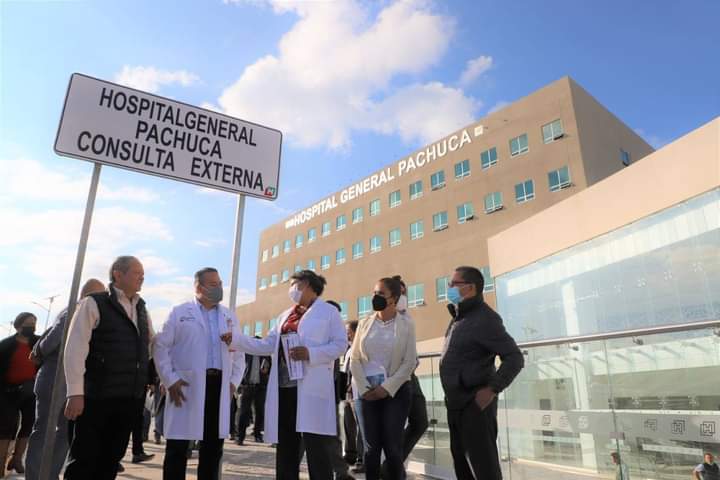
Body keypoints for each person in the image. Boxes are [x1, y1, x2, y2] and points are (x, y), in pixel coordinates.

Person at [231, 269, 347, 480]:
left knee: (317, 447)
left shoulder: (328, 312)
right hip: (284, 388)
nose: (292, 290)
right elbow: (267, 344)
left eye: (297, 285)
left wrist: (311, 353)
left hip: (311, 387)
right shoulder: (285, 316)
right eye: (291, 286)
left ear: (310, 286)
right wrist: (237, 340)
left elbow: (340, 345)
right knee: (286, 447)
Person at [64, 255, 154, 480]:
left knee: (110, 462)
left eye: (143, 274)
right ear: (118, 274)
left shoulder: (142, 309)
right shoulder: (94, 303)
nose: (142, 277)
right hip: (96, 397)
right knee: (84, 461)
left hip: (129, 399)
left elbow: (151, 346)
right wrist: (75, 392)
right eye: (136, 272)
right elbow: (75, 348)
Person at [153, 267, 245, 480]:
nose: (219, 288)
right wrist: (170, 379)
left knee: (213, 449)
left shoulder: (228, 316)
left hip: (219, 386)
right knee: (178, 447)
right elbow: (160, 347)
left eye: (220, 283)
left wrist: (233, 382)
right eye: (213, 284)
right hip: (185, 385)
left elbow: (239, 352)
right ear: (198, 286)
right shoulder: (180, 312)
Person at [439, 266, 524, 480]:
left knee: (483, 468)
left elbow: (514, 357)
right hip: (456, 403)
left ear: (470, 288)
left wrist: (492, 389)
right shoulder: (459, 316)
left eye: (453, 284)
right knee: (462, 465)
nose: (448, 288)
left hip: (474, 405)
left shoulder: (485, 319)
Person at [25, 278, 105, 480]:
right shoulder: (75, 310)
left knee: (64, 434)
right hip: (54, 378)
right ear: (87, 295)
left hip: (71, 383)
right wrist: (40, 352)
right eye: (99, 294)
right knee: (45, 430)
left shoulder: (88, 312)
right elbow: (53, 340)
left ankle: (49, 475)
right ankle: (36, 476)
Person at [350, 276, 417, 480]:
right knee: (371, 449)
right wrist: (364, 388)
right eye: (374, 293)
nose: (375, 297)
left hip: (395, 393)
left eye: (380, 293)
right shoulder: (364, 323)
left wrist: (386, 388)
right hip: (366, 392)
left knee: (392, 448)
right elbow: (354, 358)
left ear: (393, 298)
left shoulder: (406, 324)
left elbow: (409, 362)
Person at [381, 277, 428, 479]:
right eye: (399, 293)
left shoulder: (407, 318)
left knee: (420, 421)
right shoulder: (381, 318)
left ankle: (390, 467)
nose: (403, 297)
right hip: (391, 378)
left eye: (404, 293)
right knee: (394, 426)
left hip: (410, 375)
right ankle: (392, 470)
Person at [0, 312, 40, 476]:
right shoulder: (6, 345)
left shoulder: (38, 343)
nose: (31, 327)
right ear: (18, 326)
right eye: (28, 323)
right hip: (7, 392)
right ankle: (1, 462)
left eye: (34, 323)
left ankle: (16, 459)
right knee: (5, 429)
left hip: (30, 391)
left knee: (28, 426)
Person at [325, 300, 355, 480]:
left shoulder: (336, 339)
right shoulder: (318, 336)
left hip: (330, 394)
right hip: (314, 395)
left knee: (333, 435)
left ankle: (341, 472)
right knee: (306, 437)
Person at [340, 320, 365, 474]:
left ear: (356, 331)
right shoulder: (348, 349)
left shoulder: (362, 346)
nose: (346, 333)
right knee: (348, 425)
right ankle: (350, 455)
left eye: (348, 330)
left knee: (361, 428)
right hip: (347, 394)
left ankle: (362, 460)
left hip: (358, 392)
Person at [235, 339, 270, 445]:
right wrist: (240, 385)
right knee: (244, 412)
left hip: (260, 387)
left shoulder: (265, 354)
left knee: (260, 412)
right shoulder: (246, 354)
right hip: (247, 386)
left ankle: (257, 435)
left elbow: (270, 367)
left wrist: (266, 370)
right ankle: (240, 437)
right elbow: (240, 367)